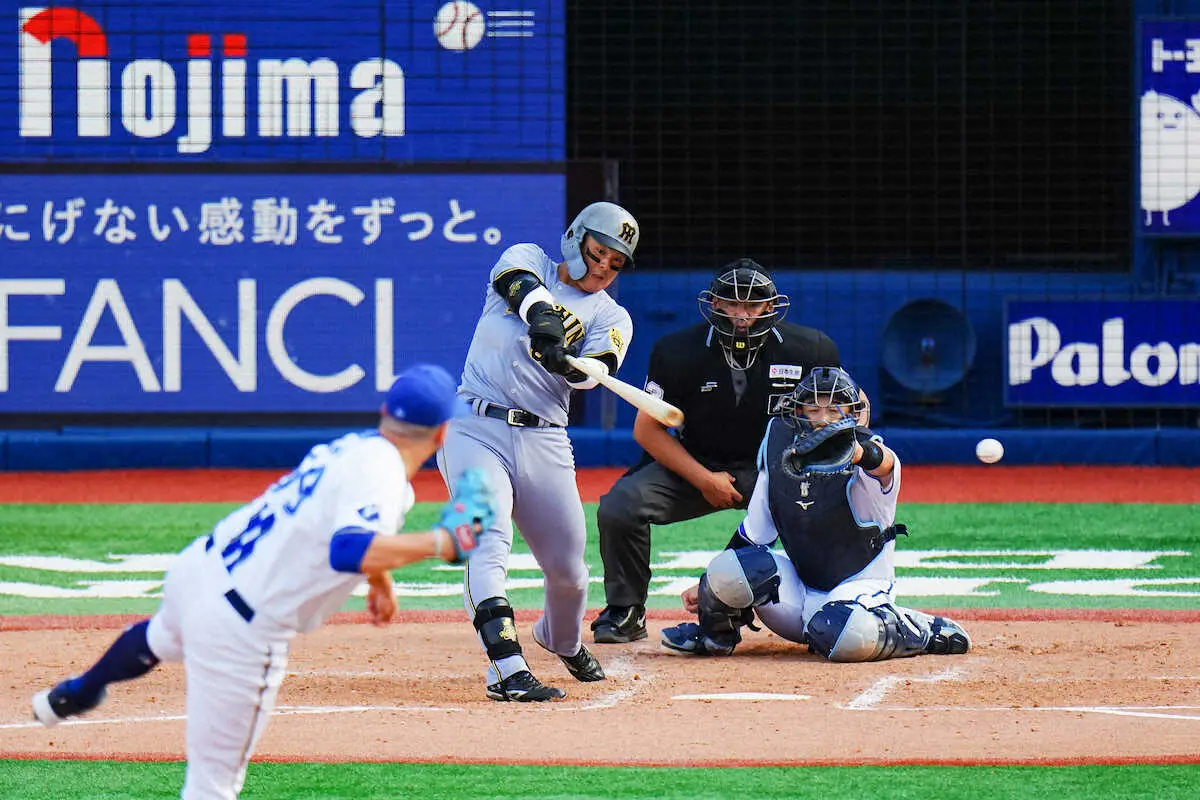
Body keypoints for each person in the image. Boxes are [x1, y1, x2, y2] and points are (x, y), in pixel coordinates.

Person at [31, 364, 496, 799]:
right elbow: (348, 548)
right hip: (238, 631)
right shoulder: (384, 475)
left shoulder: (354, 450)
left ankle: (81, 690)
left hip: (199, 571)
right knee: (211, 787)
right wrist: (441, 542)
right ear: (442, 433)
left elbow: (341, 530)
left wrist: (379, 581)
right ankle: (85, 689)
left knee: (158, 637)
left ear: (384, 414)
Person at [440, 201, 639, 701]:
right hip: (475, 427)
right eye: (599, 253)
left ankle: (560, 640)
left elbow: (598, 366)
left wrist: (571, 365)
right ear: (576, 238)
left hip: (545, 437)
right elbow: (521, 289)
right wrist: (546, 323)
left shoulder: (612, 315)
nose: (603, 268)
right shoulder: (526, 257)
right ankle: (505, 668)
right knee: (489, 539)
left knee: (570, 571)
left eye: (615, 264)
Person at [591, 260, 841, 644]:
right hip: (695, 463)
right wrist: (703, 479)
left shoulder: (811, 349)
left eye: (753, 304)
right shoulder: (675, 351)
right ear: (715, 304)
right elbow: (647, 429)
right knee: (620, 506)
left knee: (824, 507)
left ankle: (815, 603)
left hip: (777, 469)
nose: (742, 315)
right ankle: (625, 610)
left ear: (771, 306)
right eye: (732, 303)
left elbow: (841, 414)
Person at [659, 366, 970, 662]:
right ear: (797, 411)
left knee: (844, 634)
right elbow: (754, 535)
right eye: (813, 408)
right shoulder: (779, 449)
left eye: (835, 409)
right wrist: (710, 587)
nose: (822, 419)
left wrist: (856, 452)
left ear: (852, 413)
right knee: (726, 570)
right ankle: (714, 638)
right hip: (799, 593)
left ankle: (919, 629)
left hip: (859, 591)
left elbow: (885, 464)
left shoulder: (868, 454)